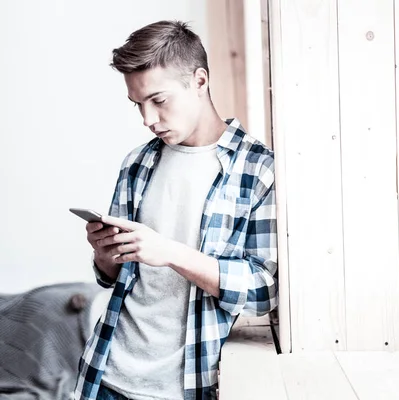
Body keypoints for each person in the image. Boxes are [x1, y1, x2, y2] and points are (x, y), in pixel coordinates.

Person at [73, 20, 278, 400]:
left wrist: (170, 253)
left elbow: (264, 290)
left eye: (159, 100)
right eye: (138, 104)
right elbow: (112, 278)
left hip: (183, 387)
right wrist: (105, 256)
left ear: (199, 81)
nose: (148, 119)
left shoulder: (259, 170)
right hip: (105, 375)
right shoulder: (137, 163)